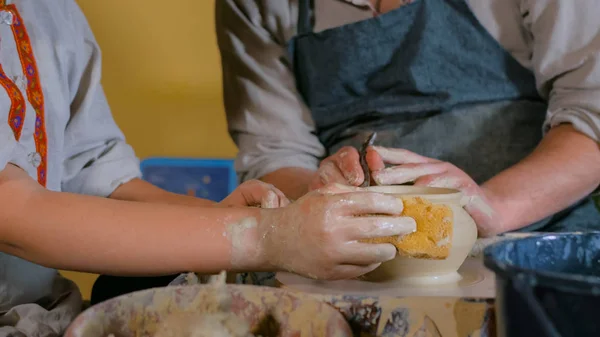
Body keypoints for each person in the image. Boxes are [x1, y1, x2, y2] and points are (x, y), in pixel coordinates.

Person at [0, 1, 417, 335]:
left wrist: (231, 219)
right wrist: (265, 237)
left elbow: (99, 178)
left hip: (47, 314)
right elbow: (11, 211)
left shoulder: (50, 11)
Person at [216, 0, 600, 238]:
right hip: (359, 250)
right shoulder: (256, 4)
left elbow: (591, 113)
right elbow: (274, 155)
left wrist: (492, 207)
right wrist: (321, 189)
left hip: (536, 236)